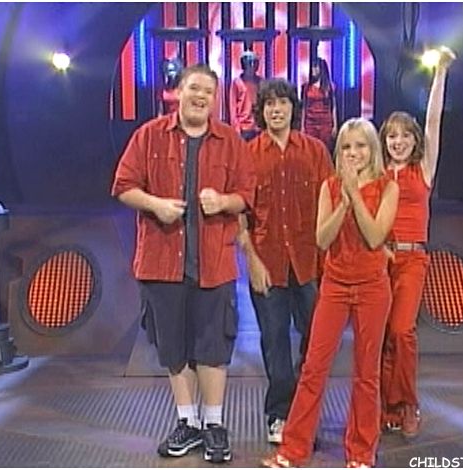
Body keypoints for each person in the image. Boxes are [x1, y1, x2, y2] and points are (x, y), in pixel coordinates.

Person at [111, 64, 256, 463]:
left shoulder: (230, 141)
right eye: (194, 88)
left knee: (213, 347)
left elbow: (247, 195)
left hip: (214, 264)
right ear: (178, 91)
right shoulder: (149, 135)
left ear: (216, 99)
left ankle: (214, 424)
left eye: (208, 91)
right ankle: (187, 422)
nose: (200, 96)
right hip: (161, 263)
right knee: (174, 348)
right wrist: (155, 205)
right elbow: (123, 186)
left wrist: (223, 202)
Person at [261, 117, 399, 468]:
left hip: (372, 287)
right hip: (335, 286)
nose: (354, 153)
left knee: (366, 373)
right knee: (313, 368)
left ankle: (361, 452)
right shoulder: (329, 186)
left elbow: (374, 237)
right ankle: (293, 449)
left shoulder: (388, 187)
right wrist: (343, 202)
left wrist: (356, 195)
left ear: (372, 149)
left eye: (361, 146)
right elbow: (322, 239)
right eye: (347, 147)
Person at [237, 78, 333, 444]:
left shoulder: (315, 151)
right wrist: (252, 259)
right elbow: (240, 214)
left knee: (316, 340)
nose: (276, 110)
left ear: (294, 108)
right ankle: (279, 413)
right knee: (274, 340)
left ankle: (304, 410)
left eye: (283, 103)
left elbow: (331, 203)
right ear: (261, 112)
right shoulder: (248, 155)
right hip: (267, 264)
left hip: (309, 263)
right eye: (269, 104)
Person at [379, 46, 456, 438]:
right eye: (392, 136)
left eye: (404, 136)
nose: (398, 142)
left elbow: (433, 121)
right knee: (382, 336)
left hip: (412, 260)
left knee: (402, 332)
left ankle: (408, 403)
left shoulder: (421, 171)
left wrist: (440, 74)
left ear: (414, 141)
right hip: (380, 261)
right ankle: (387, 407)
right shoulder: (378, 173)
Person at [301, 57, 338, 155]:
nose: (313, 69)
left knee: (325, 149)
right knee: (311, 149)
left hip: (325, 123)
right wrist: (302, 126)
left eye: (315, 67)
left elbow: (333, 107)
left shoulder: (329, 86)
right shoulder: (306, 87)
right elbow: (304, 107)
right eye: (312, 67)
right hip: (310, 123)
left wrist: (335, 125)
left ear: (321, 69)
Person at [230, 50, 262, 141]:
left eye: (255, 63)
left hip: (258, 127)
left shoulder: (261, 82)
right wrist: (237, 128)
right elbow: (233, 108)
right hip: (243, 128)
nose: (252, 66)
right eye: (249, 63)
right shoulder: (237, 82)